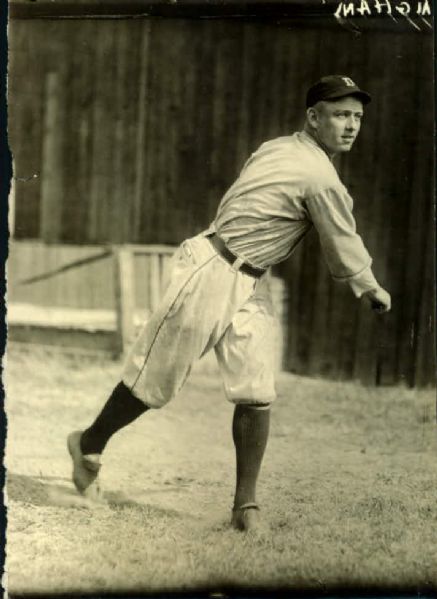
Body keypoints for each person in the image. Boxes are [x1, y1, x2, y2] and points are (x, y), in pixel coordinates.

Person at [68, 75, 391, 532]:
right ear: (313, 118)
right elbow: (341, 236)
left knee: (257, 390)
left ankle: (245, 507)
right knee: (154, 380)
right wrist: (368, 284)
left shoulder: (278, 147)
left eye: (357, 116)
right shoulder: (318, 176)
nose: (352, 125)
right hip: (213, 267)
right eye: (340, 114)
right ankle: (87, 443)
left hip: (251, 279)